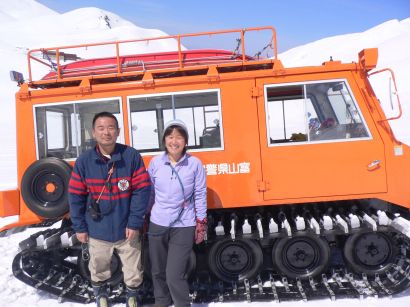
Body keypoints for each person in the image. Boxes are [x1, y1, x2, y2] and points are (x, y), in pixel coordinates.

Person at [69, 111, 151, 307]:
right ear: (93, 133)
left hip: (127, 228)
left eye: (111, 128)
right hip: (97, 228)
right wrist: (79, 227)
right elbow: (75, 196)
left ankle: (132, 296)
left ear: (118, 131)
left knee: (133, 268)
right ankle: (101, 295)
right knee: (98, 267)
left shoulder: (130, 156)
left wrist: (134, 222)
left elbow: (142, 190)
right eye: (101, 128)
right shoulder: (84, 161)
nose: (106, 132)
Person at [148, 119, 207, 307]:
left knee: (174, 274)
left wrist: (201, 222)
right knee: (157, 270)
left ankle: (182, 304)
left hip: (184, 224)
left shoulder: (194, 164)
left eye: (179, 137)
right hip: (157, 222)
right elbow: (149, 193)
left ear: (186, 141)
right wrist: (144, 217)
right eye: (170, 137)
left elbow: (200, 193)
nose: (174, 141)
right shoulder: (156, 163)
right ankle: (162, 302)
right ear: (164, 140)